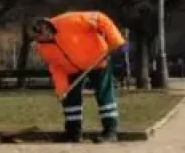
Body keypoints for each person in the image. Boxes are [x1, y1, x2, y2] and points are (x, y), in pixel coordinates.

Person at [29, 11, 128, 143]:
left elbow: (100, 18)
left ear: (46, 26)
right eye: (38, 37)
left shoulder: (70, 20)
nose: (43, 37)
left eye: (42, 32)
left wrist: (115, 40)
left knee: (104, 94)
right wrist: (62, 89)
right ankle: (73, 133)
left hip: (98, 61)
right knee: (70, 99)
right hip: (71, 70)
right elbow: (56, 67)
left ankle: (110, 131)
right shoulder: (42, 47)